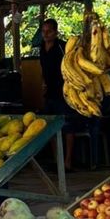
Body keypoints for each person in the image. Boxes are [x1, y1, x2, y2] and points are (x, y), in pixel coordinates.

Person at [39, 18, 75, 171]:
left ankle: (67, 162)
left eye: (49, 31)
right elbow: (43, 69)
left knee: (67, 127)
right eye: (44, 31)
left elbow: (72, 67)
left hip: (64, 92)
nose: (46, 34)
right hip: (50, 94)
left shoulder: (62, 47)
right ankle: (57, 161)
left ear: (55, 32)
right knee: (51, 127)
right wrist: (43, 83)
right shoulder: (41, 47)